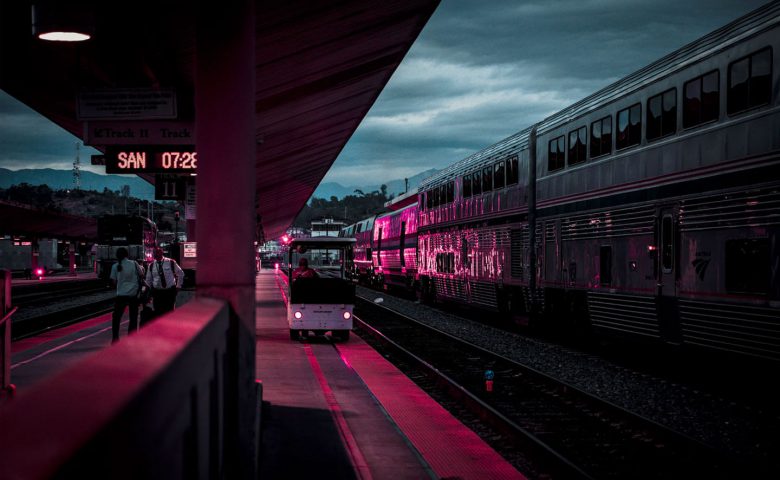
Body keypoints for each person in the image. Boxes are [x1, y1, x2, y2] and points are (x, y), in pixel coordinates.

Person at [109, 247, 144, 343]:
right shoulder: (134, 263)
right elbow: (141, 275)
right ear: (127, 255)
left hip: (121, 295)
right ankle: (131, 337)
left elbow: (113, 282)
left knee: (116, 317)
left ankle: (115, 338)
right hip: (133, 295)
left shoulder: (115, 266)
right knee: (133, 317)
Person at [145, 247, 184, 316]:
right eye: (154, 253)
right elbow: (148, 280)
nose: (155, 254)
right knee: (158, 313)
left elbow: (181, 273)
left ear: (161, 253)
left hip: (169, 292)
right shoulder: (151, 265)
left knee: (169, 312)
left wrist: (178, 286)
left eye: (157, 253)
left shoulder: (171, 262)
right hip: (157, 293)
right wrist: (148, 292)